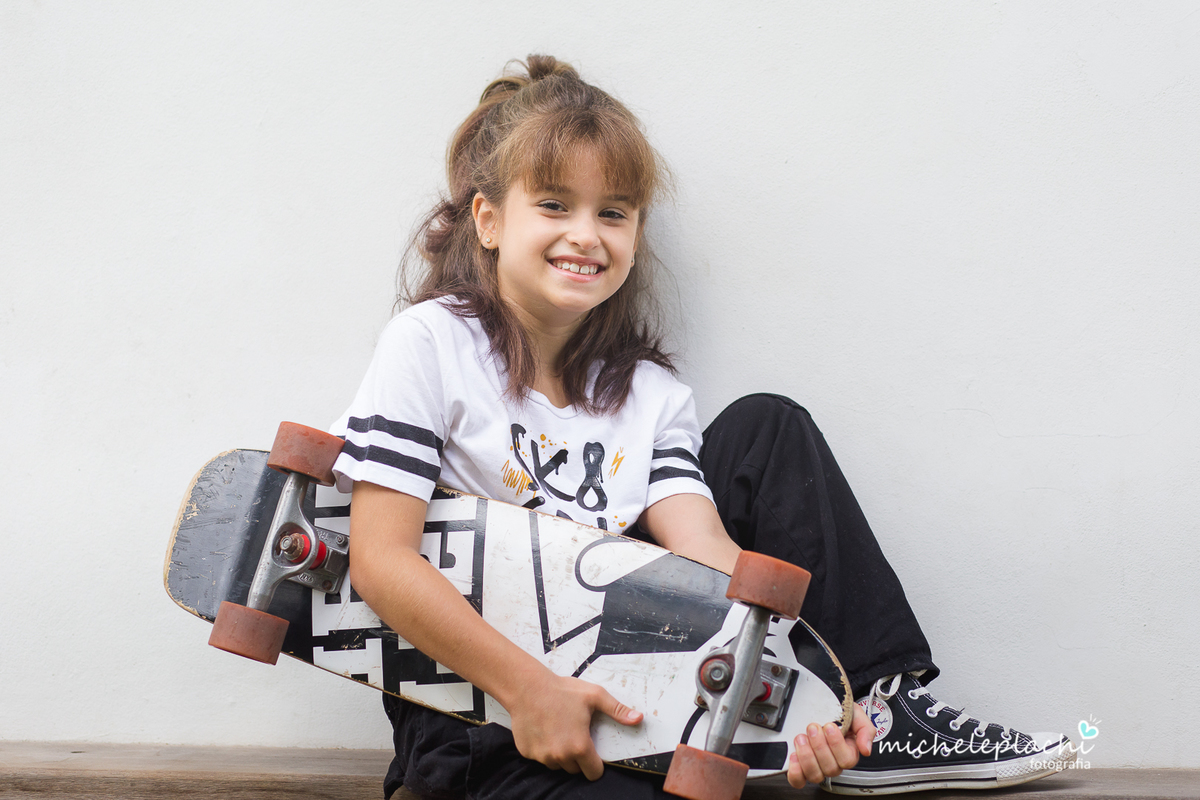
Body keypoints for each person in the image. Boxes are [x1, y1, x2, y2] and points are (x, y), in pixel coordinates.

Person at [330, 55, 1074, 799]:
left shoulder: (646, 393)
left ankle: (876, 717)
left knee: (767, 426)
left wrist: (810, 698)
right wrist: (529, 691)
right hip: (478, 717)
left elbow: (708, 557)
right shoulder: (431, 344)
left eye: (613, 213)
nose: (586, 235)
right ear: (489, 221)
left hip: (630, 692)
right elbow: (380, 559)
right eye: (554, 205)